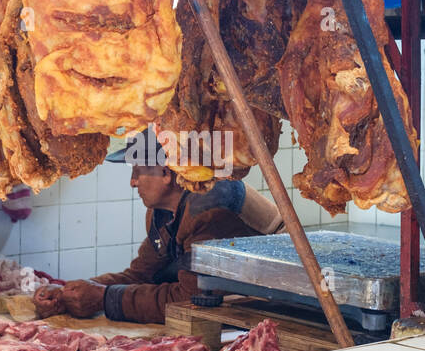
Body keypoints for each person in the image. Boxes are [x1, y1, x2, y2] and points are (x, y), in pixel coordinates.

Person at [33, 128, 284, 324]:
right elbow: (141, 275)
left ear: (166, 173)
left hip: (272, 311)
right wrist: (70, 292)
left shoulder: (210, 206)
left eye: (138, 171)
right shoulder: (163, 211)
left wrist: (103, 298)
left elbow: (193, 299)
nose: (132, 182)